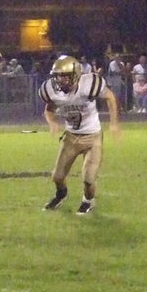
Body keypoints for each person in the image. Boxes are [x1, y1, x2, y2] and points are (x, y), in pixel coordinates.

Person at [38, 55, 121, 214]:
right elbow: (49, 110)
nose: (60, 80)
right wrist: (52, 122)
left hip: (92, 137)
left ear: (75, 75)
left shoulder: (88, 85)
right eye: (58, 76)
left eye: (64, 76)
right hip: (71, 137)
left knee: (89, 179)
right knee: (57, 176)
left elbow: (110, 96)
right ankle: (61, 194)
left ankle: (88, 200)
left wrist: (114, 123)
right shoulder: (52, 90)